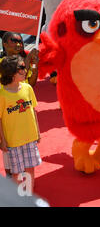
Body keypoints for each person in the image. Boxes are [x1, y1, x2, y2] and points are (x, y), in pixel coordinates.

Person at [0, 55, 41, 194]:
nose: (25, 70)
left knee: (30, 167)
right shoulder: (2, 95)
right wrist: (3, 140)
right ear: (11, 73)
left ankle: (28, 193)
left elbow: (33, 110)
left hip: (30, 137)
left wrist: (38, 132)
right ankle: (16, 196)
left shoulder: (28, 88)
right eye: (22, 68)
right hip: (13, 141)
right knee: (16, 171)